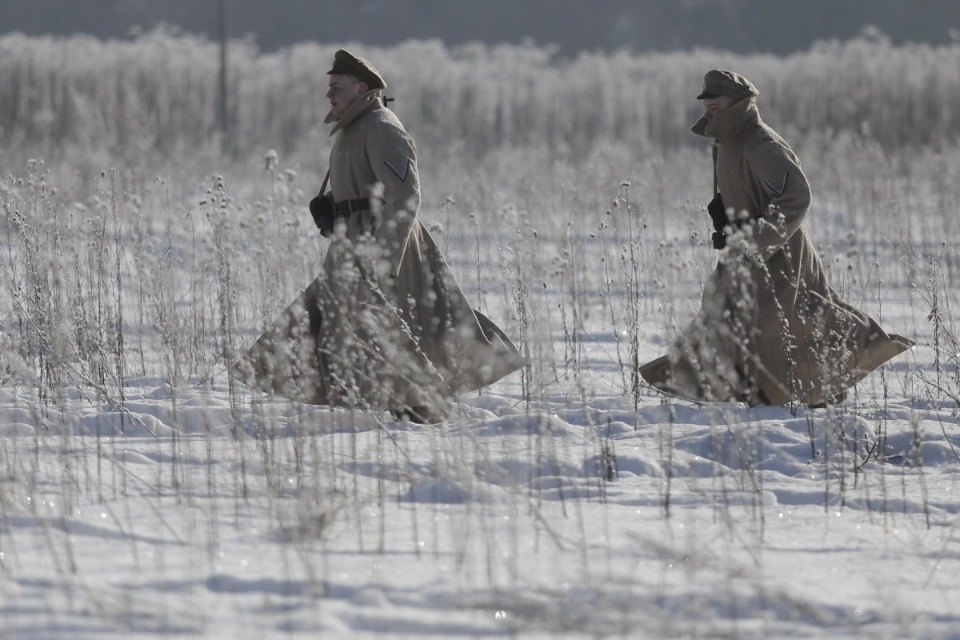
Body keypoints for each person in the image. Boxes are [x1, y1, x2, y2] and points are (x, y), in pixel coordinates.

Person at [234, 49, 523, 423]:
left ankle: (422, 407)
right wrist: (330, 208)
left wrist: (383, 256)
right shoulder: (352, 128)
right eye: (328, 87)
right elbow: (360, 188)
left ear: (362, 87)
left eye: (337, 87)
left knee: (389, 324)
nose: (329, 94)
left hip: (382, 246)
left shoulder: (382, 127)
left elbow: (406, 195)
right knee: (324, 321)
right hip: (351, 246)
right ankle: (394, 405)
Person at [639, 69, 912, 407]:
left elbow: (796, 198)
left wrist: (756, 239)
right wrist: (726, 214)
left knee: (790, 323)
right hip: (747, 249)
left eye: (715, 104)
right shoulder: (728, 140)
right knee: (723, 310)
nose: (708, 110)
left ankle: (833, 378)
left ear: (737, 104)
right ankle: (714, 383)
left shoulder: (761, 143)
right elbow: (749, 190)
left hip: (778, 252)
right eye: (706, 104)